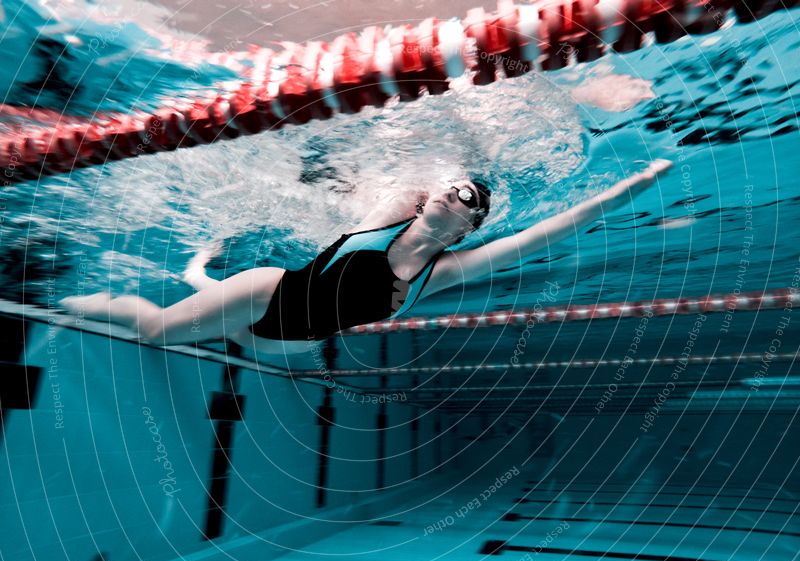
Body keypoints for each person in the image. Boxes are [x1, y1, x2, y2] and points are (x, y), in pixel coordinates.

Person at [60, 160, 673, 355]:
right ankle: (69, 304)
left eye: (468, 200)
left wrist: (629, 189)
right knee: (157, 334)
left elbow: (547, 234)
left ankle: (196, 273)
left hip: (290, 343)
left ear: (465, 230)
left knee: (207, 309)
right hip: (265, 295)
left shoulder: (446, 269)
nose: (451, 196)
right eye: (448, 187)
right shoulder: (384, 214)